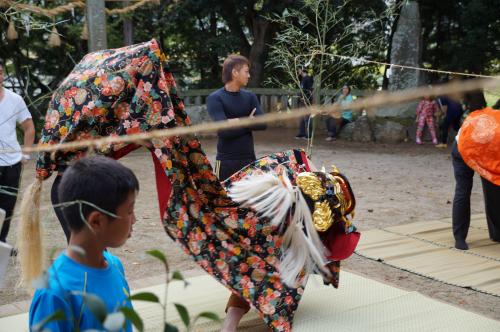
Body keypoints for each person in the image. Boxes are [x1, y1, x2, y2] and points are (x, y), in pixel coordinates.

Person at [29, 156, 137, 331]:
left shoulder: (115, 266)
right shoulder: (54, 292)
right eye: (130, 211)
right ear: (96, 221)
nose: (135, 219)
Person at [207, 54, 267, 181]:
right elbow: (224, 132)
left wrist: (234, 122)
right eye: (246, 71)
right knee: (222, 200)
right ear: (235, 72)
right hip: (225, 162)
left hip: (249, 159)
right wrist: (248, 121)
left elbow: (263, 124)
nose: (249, 75)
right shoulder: (215, 98)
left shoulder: (250, 96)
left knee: (251, 200)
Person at [451, 102, 499, 250]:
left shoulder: (485, 112)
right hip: (463, 150)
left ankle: (497, 233)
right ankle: (459, 238)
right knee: (463, 191)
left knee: (494, 188)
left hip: (480, 151)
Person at [0, 59, 35, 246]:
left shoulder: (15, 99)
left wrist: (25, 154)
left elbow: (29, 128)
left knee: (7, 206)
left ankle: (1, 242)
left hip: (12, 163)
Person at [295, 68, 314, 140]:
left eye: (299, 70)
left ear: (302, 70)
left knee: (307, 118)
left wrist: (308, 101)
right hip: (302, 101)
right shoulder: (303, 79)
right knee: (302, 118)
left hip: (306, 102)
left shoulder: (308, 79)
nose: (298, 71)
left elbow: (310, 91)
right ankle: (302, 133)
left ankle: (309, 135)